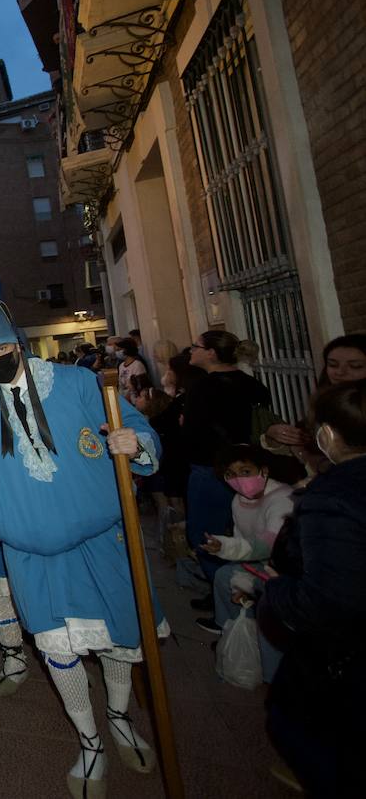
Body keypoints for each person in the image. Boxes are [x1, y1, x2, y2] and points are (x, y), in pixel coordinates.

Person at [0, 235, 164, 799]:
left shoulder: (81, 384)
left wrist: (136, 442)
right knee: (58, 648)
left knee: (115, 642)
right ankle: (90, 741)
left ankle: (122, 717)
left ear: (19, 342)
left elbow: (143, 432)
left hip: (101, 543)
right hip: (27, 556)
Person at [260, 379, 366, 796]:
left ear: (327, 435)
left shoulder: (335, 495)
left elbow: (327, 600)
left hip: (347, 659)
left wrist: (276, 590)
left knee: (309, 738)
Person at [182, 330, 272, 600]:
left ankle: (224, 595)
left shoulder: (203, 387)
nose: (191, 351)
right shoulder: (251, 384)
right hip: (248, 469)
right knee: (241, 531)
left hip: (212, 468)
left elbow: (192, 429)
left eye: (195, 346)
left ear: (211, 353)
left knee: (206, 534)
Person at [195, 445, 293, 678]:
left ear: (264, 470)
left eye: (246, 471)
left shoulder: (282, 498)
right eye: (231, 474)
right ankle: (230, 630)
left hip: (286, 569)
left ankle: (273, 675)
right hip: (259, 562)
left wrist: (225, 547)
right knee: (224, 577)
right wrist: (239, 575)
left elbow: (268, 545)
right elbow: (242, 540)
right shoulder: (239, 501)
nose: (240, 480)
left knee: (266, 598)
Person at [261, 333, 366, 478]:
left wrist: (314, 461)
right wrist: (274, 437)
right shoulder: (324, 401)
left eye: (355, 366)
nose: (340, 372)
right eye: (333, 365)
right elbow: (303, 440)